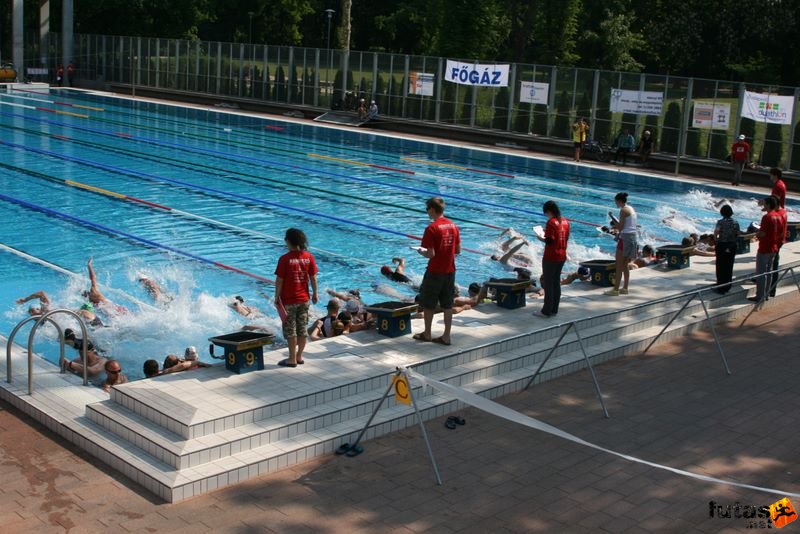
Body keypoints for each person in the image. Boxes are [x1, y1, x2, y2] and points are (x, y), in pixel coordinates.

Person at [413, 197, 461, 345]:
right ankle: (446, 336)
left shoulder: (431, 228)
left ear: (432, 209)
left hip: (435, 271)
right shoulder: (453, 226)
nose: (426, 212)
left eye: (427, 209)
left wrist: (421, 251)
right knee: (447, 305)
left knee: (428, 304)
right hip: (450, 271)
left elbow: (431, 254)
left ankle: (427, 333)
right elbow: (458, 251)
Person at [274, 228, 318, 367]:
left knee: (290, 330)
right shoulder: (309, 257)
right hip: (304, 299)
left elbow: (279, 280)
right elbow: (313, 278)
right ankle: (299, 356)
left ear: (289, 241)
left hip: (289, 301)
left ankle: (291, 359)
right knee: (302, 329)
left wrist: (276, 297)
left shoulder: (284, 259)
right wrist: (315, 293)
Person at [534, 201, 570, 317]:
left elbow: (549, 240)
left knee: (548, 284)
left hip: (551, 256)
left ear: (548, 211)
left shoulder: (551, 222)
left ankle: (546, 311)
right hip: (562, 255)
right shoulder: (565, 221)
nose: (546, 215)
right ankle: (554, 309)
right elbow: (565, 238)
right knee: (556, 283)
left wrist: (540, 237)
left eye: (545, 213)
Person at [606, 193, 638, 296]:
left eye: (615, 201)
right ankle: (625, 288)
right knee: (625, 265)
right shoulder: (630, 208)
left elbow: (620, 227)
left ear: (619, 201)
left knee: (619, 265)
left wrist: (612, 218)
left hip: (625, 239)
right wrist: (613, 217)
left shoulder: (623, 210)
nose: (615, 203)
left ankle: (615, 290)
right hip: (632, 238)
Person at [751, 196, 781, 303]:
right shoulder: (778, 216)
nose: (763, 205)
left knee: (761, 273)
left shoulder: (767, 217)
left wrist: (756, 234)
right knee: (769, 273)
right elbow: (781, 232)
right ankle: (766, 294)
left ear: (768, 204)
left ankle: (760, 296)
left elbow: (762, 233)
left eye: (765, 203)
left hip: (764, 249)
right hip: (774, 248)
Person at [713, 204, 740, 294]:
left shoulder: (720, 222)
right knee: (729, 266)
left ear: (722, 213)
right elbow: (737, 234)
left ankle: (720, 286)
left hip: (722, 245)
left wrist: (716, 240)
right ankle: (728, 285)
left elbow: (716, 232)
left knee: (720, 266)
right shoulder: (736, 222)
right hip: (732, 245)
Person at [770, 195, 788, 298]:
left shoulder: (778, 214)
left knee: (773, 266)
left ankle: (771, 290)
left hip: (776, 243)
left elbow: (779, 230)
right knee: (774, 265)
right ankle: (772, 289)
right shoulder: (784, 212)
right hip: (779, 242)